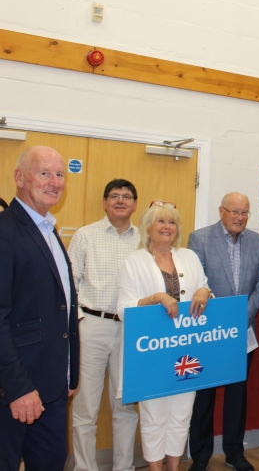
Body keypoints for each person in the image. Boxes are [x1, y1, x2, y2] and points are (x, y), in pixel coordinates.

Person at [116, 202, 211, 471]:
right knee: (153, 415)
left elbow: (203, 291)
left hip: (186, 351)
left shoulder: (189, 257)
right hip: (151, 353)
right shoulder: (133, 262)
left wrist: (206, 292)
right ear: (147, 227)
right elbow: (123, 309)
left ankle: (174, 467)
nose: (167, 227)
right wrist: (155, 298)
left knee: (182, 413)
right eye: (160, 221)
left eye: (171, 222)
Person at [0, 146, 79, 470]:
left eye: (60, 174)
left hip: (54, 386)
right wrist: (18, 388)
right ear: (20, 177)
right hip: (17, 391)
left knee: (50, 462)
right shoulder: (5, 232)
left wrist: (70, 372)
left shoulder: (48, 229)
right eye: (44, 173)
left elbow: (61, 307)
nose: (55, 182)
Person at [187, 193, 259, 471]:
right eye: (234, 211)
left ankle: (234, 452)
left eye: (245, 213)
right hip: (208, 333)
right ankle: (200, 456)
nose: (240, 217)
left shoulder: (258, 242)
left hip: (242, 331)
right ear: (222, 211)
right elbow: (197, 281)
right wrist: (221, 320)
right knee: (204, 397)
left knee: (237, 395)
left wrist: (242, 316)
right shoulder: (199, 239)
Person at [69, 178, 140, 471]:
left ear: (135, 204)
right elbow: (69, 283)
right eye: (114, 195)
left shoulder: (144, 240)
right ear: (104, 202)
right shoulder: (85, 236)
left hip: (131, 330)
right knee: (86, 408)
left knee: (125, 405)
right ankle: (85, 467)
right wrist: (79, 322)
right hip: (92, 326)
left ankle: (123, 467)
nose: (120, 200)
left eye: (126, 196)